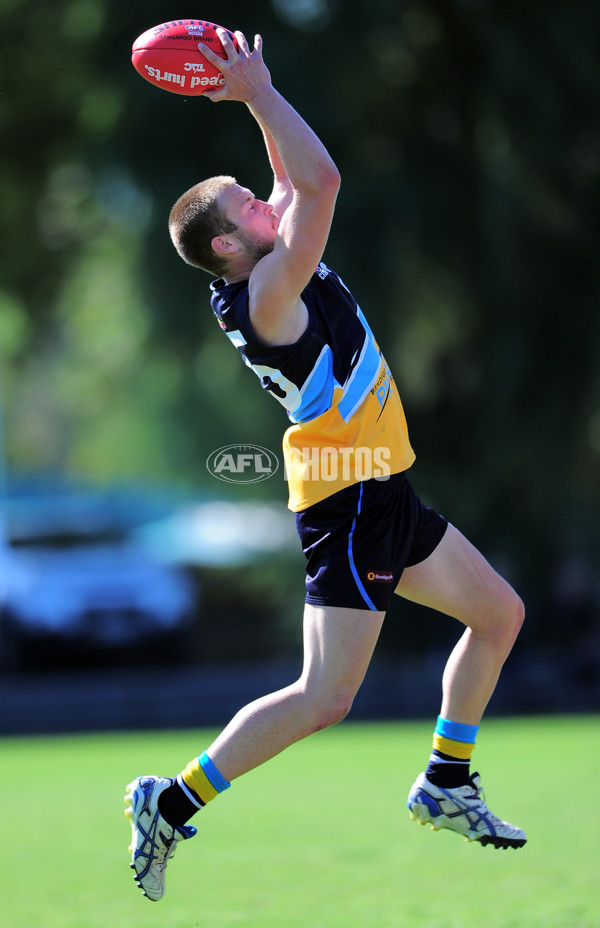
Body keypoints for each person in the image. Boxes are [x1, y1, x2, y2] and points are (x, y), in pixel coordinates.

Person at [125, 29, 526, 902]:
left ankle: (447, 780)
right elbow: (322, 180)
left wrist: (250, 99)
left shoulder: (263, 256)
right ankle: (172, 799)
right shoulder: (270, 291)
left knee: (497, 615)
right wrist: (259, 90)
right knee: (324, 697)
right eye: (248, 205)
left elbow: (295, 181)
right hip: (347, 500)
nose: (265, 201)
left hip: (383, 484)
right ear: (230, 245)